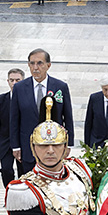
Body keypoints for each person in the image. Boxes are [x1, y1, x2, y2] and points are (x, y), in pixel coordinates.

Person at [11, 48, 73, 176]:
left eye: (39, 63)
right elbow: (14, 119)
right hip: (28, 147)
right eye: (32, 63)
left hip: (53, 146)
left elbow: (67, 117)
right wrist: (15, 146)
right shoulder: (20, 88)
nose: (35, 67)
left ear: (48, 65)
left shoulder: (60, 87)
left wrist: (69, 143)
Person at [0, 68, 24, 188]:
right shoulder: (0, 100)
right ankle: (9, 193)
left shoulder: (27, 99)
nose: (14, 83)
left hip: (22, 142)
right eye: (12, 80)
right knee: (6, 170)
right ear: (8, 81)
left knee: (24, 172)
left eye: (17, 80)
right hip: (5, 142)